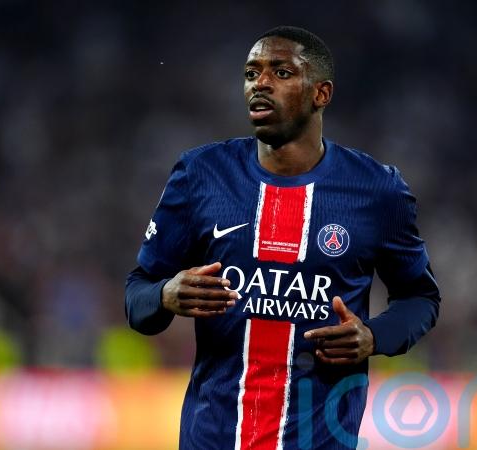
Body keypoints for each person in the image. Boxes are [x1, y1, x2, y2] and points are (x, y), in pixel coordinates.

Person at [125, 25, 441, 450]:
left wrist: (373, 336)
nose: (260, 83)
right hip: (212, 440)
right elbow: (138, 294)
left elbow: (420, 297)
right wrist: (165, 295)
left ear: (321, 94)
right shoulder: (201, 174)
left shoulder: (376, 191)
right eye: (251, 73)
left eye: (282, 72)